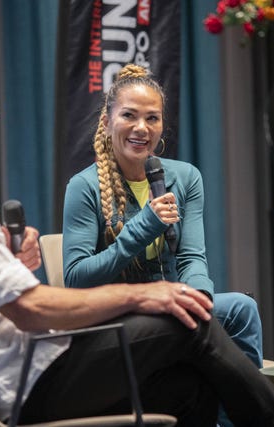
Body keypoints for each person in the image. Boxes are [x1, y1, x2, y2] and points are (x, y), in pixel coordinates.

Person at [0, 36, 274, 426]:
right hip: (26, 380)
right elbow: (32, 309)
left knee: (191, 386)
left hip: (15, 372)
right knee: (190, 323)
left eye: (153, 118)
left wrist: (4, 259)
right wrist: (141, 295)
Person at [62, 64, 263, 370]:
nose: (141, 127)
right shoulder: (84, 186)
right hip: (118, 317)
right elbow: (76, 279)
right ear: (106, 122)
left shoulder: (185, 177)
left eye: (152, 118)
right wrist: (144, 226)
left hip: (172, 305)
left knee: (241, 308)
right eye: (129, 115)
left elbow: (192, 258)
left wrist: (196, 300)